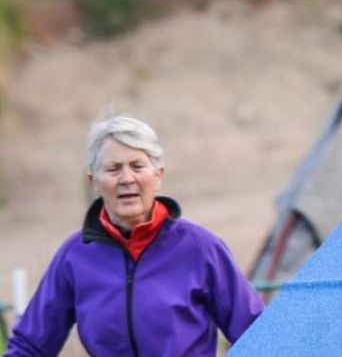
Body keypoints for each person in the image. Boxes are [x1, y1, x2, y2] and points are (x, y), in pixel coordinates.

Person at [6, 115, 263, 356]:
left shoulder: (201, 248)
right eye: (113, 168)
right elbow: (30, 345)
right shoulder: (75, 255)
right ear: (93, 181)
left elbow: (258, 335)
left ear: (158, 175)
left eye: (137, 166)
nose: (126, 178)